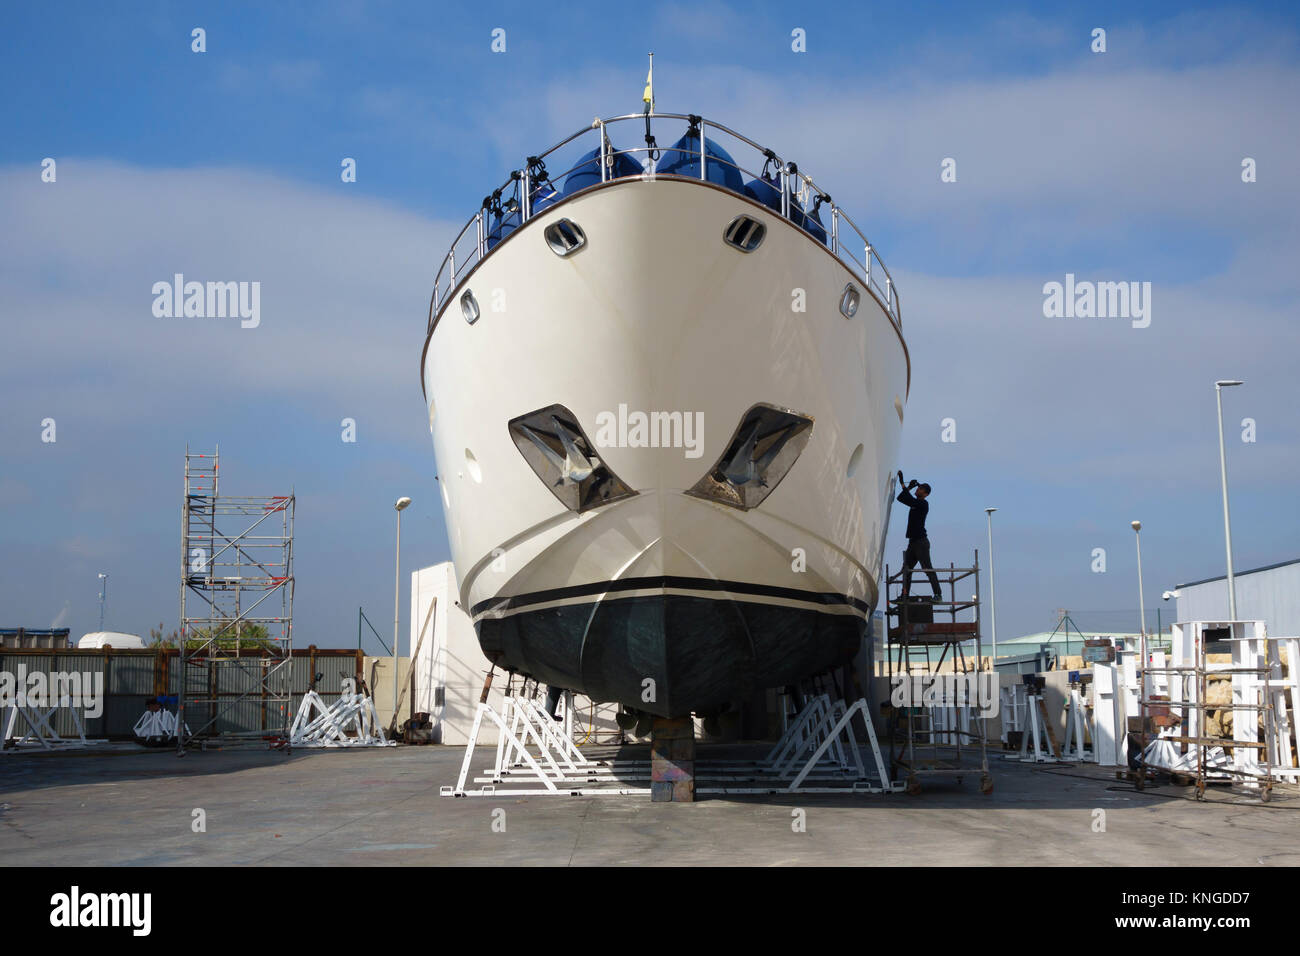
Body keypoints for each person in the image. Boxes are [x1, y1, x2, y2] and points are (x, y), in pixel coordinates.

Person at [896, 470, 942, 601]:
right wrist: (908, 487)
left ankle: (938, 594)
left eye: (920, 488)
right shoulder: (916, 503)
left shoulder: (922, 504)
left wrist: (904, 485)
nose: (918, 489)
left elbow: (907, 499)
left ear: (925, 494)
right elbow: (901, 498)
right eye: (919, 487)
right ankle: (904, 595)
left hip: (921, 542)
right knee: (906, 570)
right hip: (913, 542)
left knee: (927, 568)